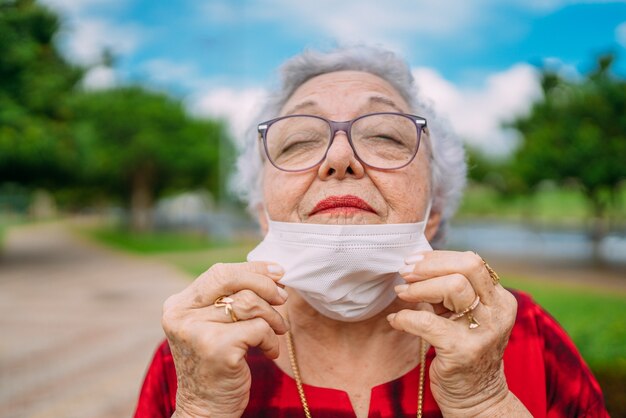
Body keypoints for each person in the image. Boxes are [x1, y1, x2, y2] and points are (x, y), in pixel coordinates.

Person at [134, 46, 608, 418]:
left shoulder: (525, 334)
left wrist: (486, 401)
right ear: (262, 211)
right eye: (299, 141)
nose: (339, 158)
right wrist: (200, 410)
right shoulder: (194, 354)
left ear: (435, 210)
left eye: (385, 135)